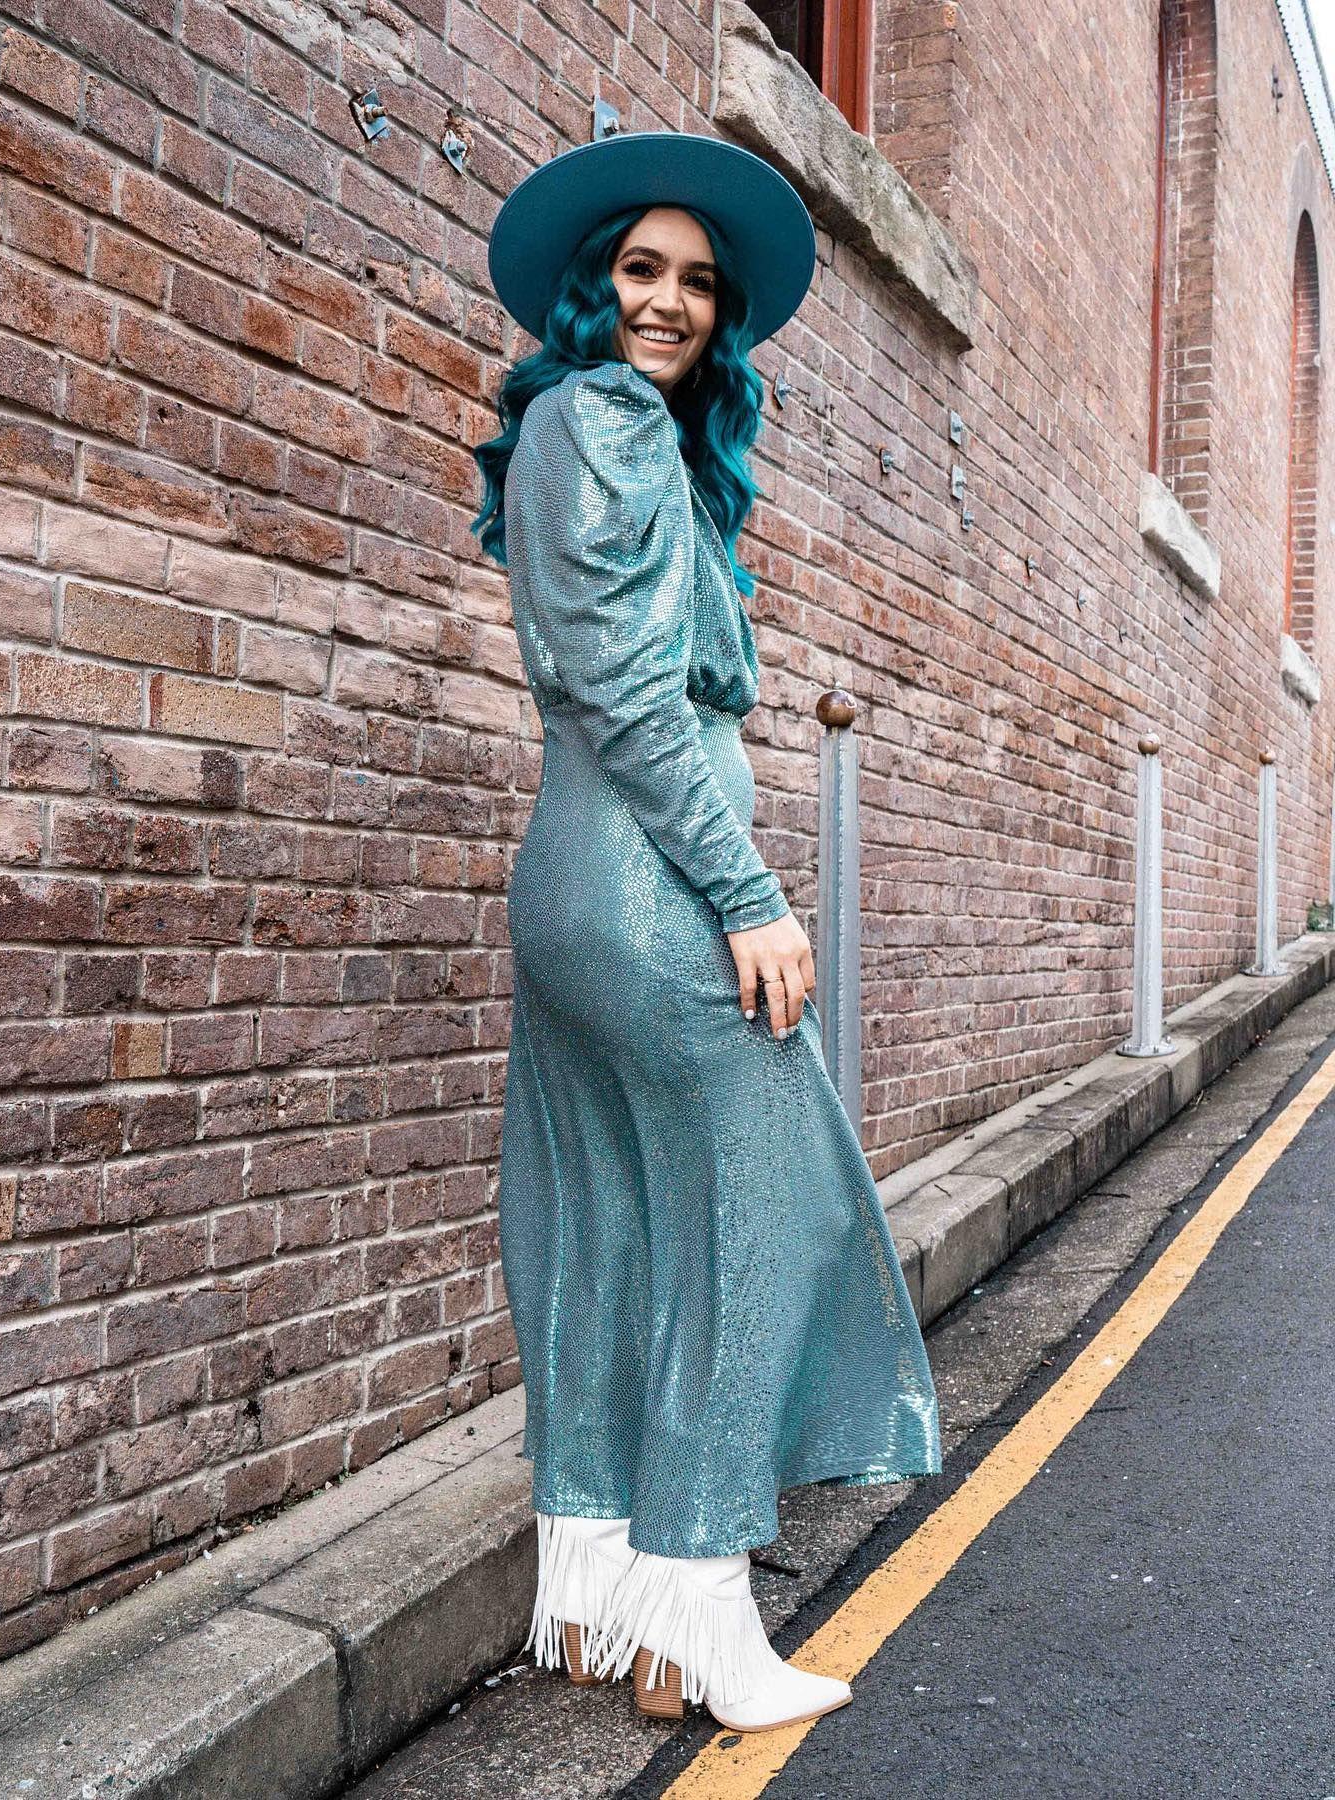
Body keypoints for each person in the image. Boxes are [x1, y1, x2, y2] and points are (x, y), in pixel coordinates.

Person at [472, 131, 943, 1734]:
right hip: (643, 886)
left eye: (696, 280)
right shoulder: (602, 417)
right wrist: (749, 894)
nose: (669, 301)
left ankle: (611, 1604)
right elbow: (627, 693)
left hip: (575, 883)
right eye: (639, 269)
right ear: (590, 288)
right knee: (763, 1216)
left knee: (606, 1226)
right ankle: (706, 1606)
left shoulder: (579, 432)